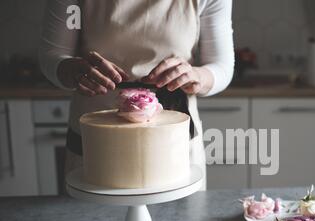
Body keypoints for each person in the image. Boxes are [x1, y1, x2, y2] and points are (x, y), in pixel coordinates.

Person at [39, 0, 235, 190]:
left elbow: (222, 66)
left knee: (180, 218)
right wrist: (68, 68)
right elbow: (52, 54)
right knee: (91, 218)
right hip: (96, 130)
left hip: (174, 133)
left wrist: (196, 76)